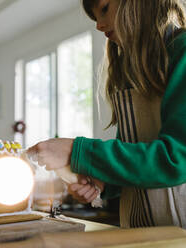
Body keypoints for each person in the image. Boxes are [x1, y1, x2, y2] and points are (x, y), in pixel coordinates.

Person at [27, 0, 186, 228]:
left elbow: (177, 159)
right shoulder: (132, 72)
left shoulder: (183, 52)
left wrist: (76, 150)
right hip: (138, 231)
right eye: (95, 18)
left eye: (104, 9)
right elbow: (134, 156)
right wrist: (103, 181)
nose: (99, 26)